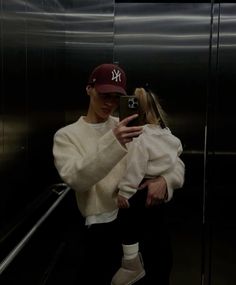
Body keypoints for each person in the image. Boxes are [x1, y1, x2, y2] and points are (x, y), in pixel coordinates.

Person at [52, 63, 185, 285]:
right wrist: (114, 141)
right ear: (89, 89)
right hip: (104, 232)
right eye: (104, 95)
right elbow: (77, 178)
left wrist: (166, 179)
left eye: (116, 97)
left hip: (147, 221)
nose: (110, 103)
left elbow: (169, 156)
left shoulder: (131, 124)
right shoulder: (67, 136)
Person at [111, 87, 184, 285]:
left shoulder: (140, 137)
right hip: (155, 205)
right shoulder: (167, 134)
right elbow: (177, 155)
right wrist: (163, 173)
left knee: (128, 223)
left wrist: (125, 192)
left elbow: (136, 166)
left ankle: (131, 264)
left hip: (139, 191)